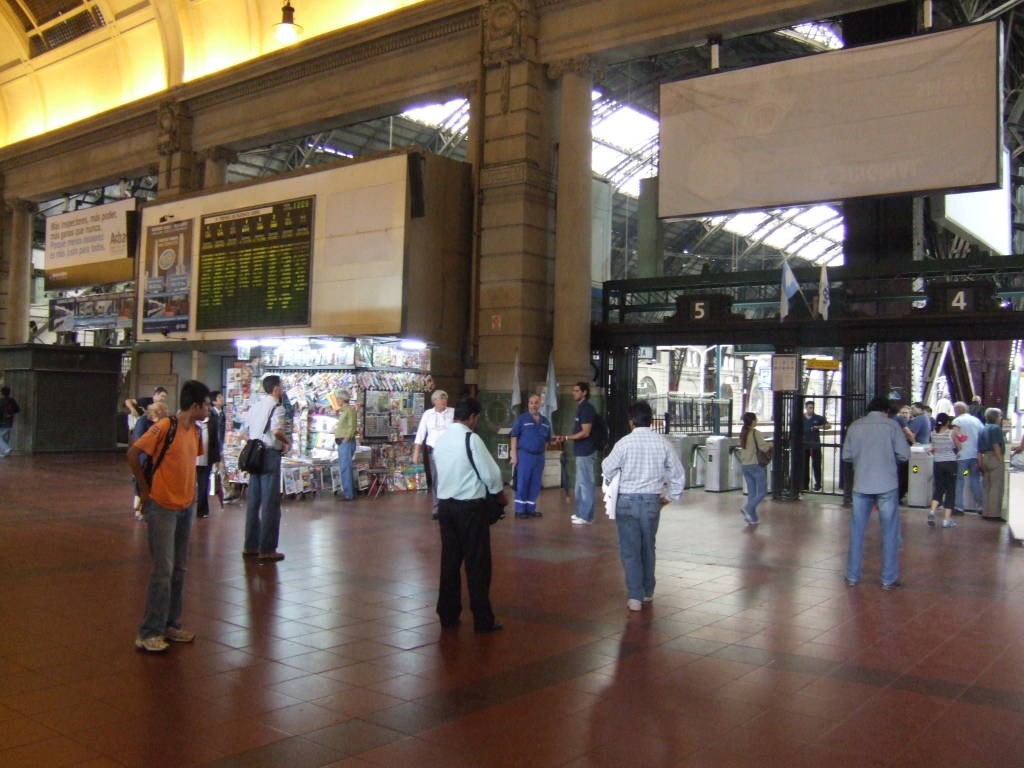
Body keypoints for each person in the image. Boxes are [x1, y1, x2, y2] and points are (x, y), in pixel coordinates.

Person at [127, 379, 210, 653]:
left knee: (179, 568)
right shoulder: (165, 427)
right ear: (195, 405)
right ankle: (149, 631)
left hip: (185, 505)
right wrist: (144, 488)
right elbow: (134, 452)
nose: (209, 409)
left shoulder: (196, 432)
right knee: (163, 569)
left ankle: (172, 624)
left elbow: (188, 465)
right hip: (162, 505)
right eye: (207, 404)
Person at [601, 400, 685, 611]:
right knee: (648, 546)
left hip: (626, 501)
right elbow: (678, 474)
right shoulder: (663, 443)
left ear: (631, 422)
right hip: (651, 501)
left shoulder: (624, 444)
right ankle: (648, 591)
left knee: (630, 550)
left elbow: (607, 468)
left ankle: (635, 596)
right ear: (650, 420)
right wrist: (670, 496)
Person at [432, 397, 505, 633]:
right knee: (477, 564)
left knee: (449, 562)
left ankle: (448, 614)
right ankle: (482, 619)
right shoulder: (470, 439)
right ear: (473, 417)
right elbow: (491, 473)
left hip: (445, 507)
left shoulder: (441, 441)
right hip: (470, 508)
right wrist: (499, 495)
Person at [842, 396, 910, 590]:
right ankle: (888, 579)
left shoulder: (855, 426)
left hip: (861, 485)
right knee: (889, 532)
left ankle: (852, 576)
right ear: (886, 411)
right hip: (887, 485)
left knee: (857, 531)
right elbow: (905, 454)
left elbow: (846, 455)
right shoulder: (892, 426)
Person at [243, 375, 290, 562]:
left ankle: (250, 545)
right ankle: (267, 548)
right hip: (270, 455)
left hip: (255, 456)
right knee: (270, 502)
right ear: (276, 389)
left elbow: (245, 432)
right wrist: (287, 442)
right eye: (282, 386)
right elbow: (277, 431)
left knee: (253, 502)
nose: (283, 389)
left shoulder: (255, 406)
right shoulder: (277, 407)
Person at [560, 381, 598, 526]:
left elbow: (586, 432)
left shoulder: (587, 409)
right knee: (580, 484)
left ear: (584, 392)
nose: (573, 393)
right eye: (573, 390)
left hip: (586, 451)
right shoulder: (581, 408)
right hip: (581, 451)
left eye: (576, 390)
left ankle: (586, 516)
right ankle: (581, 512)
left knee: (586, 484)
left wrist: (567, 437)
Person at [413, 390, 455, 520]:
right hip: (434, 451)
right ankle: (437, 508)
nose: (444, 402)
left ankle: (450, 507)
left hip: (450, 451)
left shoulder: (452, 412)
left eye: (445, 399)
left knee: (450, 479)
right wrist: (416, 452)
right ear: (434, 401)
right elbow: (421, 433)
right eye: (441, 399)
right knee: (436, 479)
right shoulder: (428, 414)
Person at [510, 394, 552, 518]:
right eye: (531, 402)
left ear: (540, 404)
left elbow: (547, 440)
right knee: (522, 482)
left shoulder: (545, 422)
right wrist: (514, 456)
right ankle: (520, 510)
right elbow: (514, 437)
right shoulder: (521, 419)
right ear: (528, 404)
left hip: (539, 457)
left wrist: (541, 453)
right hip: (524, 455)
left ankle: (530, 508)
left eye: (536, 402)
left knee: (535, 483)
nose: (534, 405)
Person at [131, 401, 169, 520]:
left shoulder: (163, 424)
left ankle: (149, 510)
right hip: (144, 459)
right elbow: (139, 442)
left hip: (157, 460)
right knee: (142, 486)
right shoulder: (143, 422)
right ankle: (139, 511)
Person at [951, 401, 984, 514]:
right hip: (975, 455)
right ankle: (980, 506)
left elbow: (954, 435)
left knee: (960, 480)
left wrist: (958, 448)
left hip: (962, 456)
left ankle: (959, 507)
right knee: (975, 479)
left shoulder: (957, 421)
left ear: (956, 411)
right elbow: (982, 436)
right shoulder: (977, 421)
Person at [738, 412, 770, 525]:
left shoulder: (743, 433)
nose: (757, 421)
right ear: (752, 421)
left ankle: (753, 518)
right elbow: (764, 448)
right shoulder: (756, 433)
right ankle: (748, 508)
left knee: (752, 492)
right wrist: (771, 445)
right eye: (755, 419)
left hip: (745, 465)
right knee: (762, 492)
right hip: (755, 465)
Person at [927, 412, 958, 529]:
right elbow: (958, 446)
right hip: (950, 463)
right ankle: (946, 520)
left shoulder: (933, 433)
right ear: (948, 422)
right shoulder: (952, 432)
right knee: (950, 490)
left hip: (937, 464)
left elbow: (933, 448)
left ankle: (932, 511)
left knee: (939, 488)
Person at [978, 407, 1005, 521]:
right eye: (1000, 416)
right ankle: (994, 514)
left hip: (984, 458)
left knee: (986, 486)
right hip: (994, 457)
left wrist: (980, 463)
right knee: (996, 486)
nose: (1001, 418)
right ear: (996, 417)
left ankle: (986, 511)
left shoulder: (983, 429)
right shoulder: (996, 428)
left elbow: (978, 449)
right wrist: (1001, 461)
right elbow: (996, 445)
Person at [195, 403, 221, 519]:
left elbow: (215, 441)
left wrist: (216, 458)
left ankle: (202, 509)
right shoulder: (193, 422)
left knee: (203, 484)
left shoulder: (212, 423)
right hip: (191, 459)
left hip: (206, 459)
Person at [333, 388, 357, 501]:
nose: (337, 400)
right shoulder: (344, 410)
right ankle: (349, 491)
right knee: (345, 466)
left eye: (338, 398)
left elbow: (352, 426)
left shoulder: (350, 410)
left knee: (345, 467)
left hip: (346, 442)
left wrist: (347, 438)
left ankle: (348, 494)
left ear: (342, 399)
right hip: (342, 442)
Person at [801, 400, 829, 491]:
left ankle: (817, 484)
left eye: (812, 408)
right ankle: (805, 484)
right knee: (804, 466)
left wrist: (818, 427)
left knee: (816, 465)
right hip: (804, 445)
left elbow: (828, 426)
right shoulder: (801, 418)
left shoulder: (818, 418)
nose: (811, 410)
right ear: (806, 408)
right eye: (809, 408)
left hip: (815, 445)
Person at [0, 385, 20, 457]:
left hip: (2, 422)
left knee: (1, 437)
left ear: (2, 393)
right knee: (5, 437)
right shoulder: (12, 401)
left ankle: (6, 449)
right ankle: (3, 453)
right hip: (10, 421)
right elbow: (17, 409)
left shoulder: (1, 401)